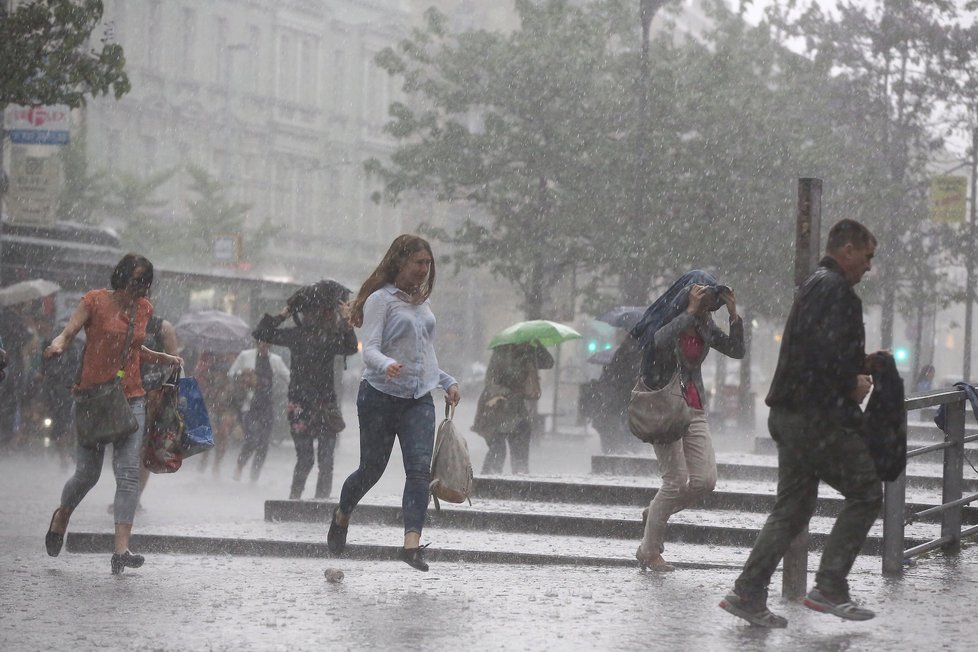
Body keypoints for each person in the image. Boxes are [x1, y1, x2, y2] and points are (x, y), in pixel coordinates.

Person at [720, 219, 881, 627]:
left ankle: (748, 592)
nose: (868, 267)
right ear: (846, 250)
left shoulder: (814, 286)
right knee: (865, 491)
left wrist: (863, 365)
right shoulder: (838, 293)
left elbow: (814, 349)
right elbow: (822, 355)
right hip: (815, 418)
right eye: (866, 257)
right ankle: (829, 586)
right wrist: (851, 383)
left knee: (793, 508)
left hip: (790, 414)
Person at [328, 234, 461, 572]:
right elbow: (369, 350)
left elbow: (424, 353)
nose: (424, 269)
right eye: (419, 263)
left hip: (418, 399)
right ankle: (342, 515)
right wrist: (386, 364)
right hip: (379, 397)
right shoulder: (380, 300)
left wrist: (446, 381)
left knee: (418, 472)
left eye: (428, 264)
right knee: (371, 470)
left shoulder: (422, 303)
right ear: (400, 262)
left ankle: (411, 545)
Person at [42, 254, 182, 574]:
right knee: (87, 475)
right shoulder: (94, 301)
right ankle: (62, 515)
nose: (140, 289)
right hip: (93, 398)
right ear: (120, 277)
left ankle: (121, 551)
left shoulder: (144, 308)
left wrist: (162, 357)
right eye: (136, 281)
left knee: (128, 472)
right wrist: (59, 345)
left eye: (145, 283)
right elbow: (69, 332)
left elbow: (132, 348)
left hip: (131, 397)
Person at [630, 270, 744, 572]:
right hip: (665, 405)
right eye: (704, 300)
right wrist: (689, 312)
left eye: (712, 303)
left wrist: (734, 315)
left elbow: (736, 350)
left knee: (706, 480)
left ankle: (655, 512)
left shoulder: (705, 324)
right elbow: (657, 342)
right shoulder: (667, 319)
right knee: (676, 481)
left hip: (693, 406)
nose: (709, 308)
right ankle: (649, 551)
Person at [253, 280, 358, 499]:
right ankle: (296, 500)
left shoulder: (330, 336)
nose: (314, 316)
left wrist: (346, 321)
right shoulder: (299, 335)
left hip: (324, 404)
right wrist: (284, 314)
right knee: (308, 459)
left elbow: (350, 347)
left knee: (324, 460)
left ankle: (316, 503)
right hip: (301, 404)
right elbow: (261, 334)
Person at [472, 342, 553, 474]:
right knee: (497, 449)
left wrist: (537, 344)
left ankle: (519, 479)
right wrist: (507, 392)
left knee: (520, 447)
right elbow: (490, 381)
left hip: (518, 408)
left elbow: (549, 362)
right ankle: (488, 481)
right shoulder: (501, 351)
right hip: (497, 408)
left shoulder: (530, 351)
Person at [229, 341, 290, 482]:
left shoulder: (275, 360)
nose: (265, 347)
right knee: (252, 438)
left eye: (268, 344)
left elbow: (287, 376)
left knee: (264, 444)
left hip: (266, 405)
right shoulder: (245, 356)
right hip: (248, 405)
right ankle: (240, 465)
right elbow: (232, 373)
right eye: (262, 343)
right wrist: (242, 374)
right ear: (257, 343)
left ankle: (254, 477)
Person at [135, 315, 179, 505]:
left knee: (145, 447)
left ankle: (134, 496)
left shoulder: (161, 327)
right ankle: (126, 490)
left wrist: (167, 394)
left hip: (152, 396)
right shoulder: (123, 320)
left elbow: (175, 364)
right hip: (126, 393)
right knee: (123, 447)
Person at [194, 350, 239, 475]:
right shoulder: (208, 367)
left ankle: (216, 464)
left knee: (223, 434)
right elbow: (201, 386)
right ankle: (204, 457)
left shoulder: (235, 372)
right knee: (212, 433)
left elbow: (238, 395)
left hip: (227, 409)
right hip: (211, 406)